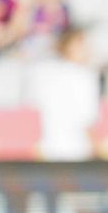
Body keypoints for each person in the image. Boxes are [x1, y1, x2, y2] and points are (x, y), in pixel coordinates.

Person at [31, 29, 101, 161]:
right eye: (83, 45)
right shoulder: (85, 77)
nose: (89, 50)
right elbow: (87, 119)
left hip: (50, 150)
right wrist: (96, 150)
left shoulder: (47, 75)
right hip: (78, 151)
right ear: (70, 48)